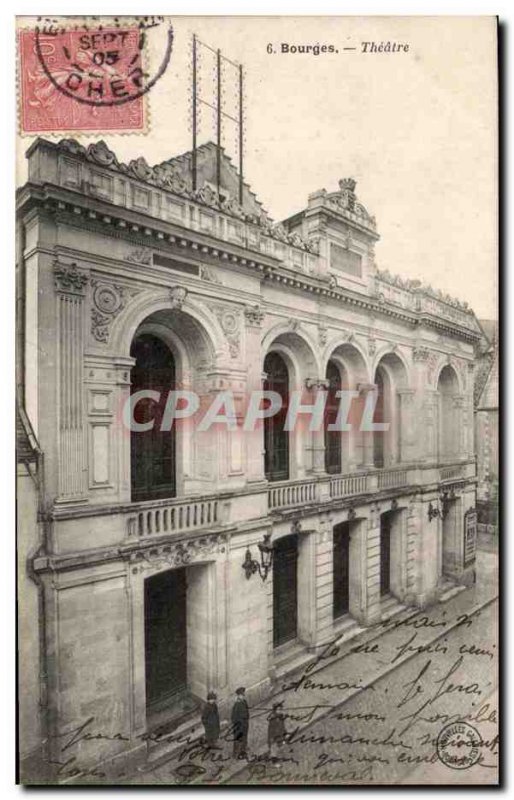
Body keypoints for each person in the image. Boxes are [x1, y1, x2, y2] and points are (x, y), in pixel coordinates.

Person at [231, 686, 249, 758]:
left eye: (243, 695)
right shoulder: (237, 704)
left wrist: (247, 718)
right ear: (238, 696)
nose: (242, 696)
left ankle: (243, 750)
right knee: (238, 739)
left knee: (244, 737)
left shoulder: (244, 701)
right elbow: (233, 717)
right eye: (241, 695)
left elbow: (246, 711)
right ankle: (235, 753)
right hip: (239, 725)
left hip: (245, 723)